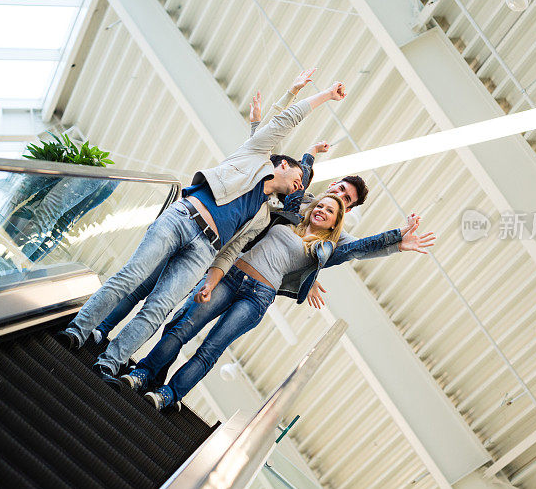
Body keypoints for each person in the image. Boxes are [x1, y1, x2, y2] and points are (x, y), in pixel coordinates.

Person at [57, 81, 347, 379]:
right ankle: (79, 329)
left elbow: (232, 250)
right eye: (300, 177)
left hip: (204, 251)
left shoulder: (263, 214)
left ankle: (111, 360)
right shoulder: (253, 156)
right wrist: (324, 95)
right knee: (130, 277)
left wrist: (211, 281)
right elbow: (284, 121)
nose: (301, 185)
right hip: (182, 218)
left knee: (160, 307)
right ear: (283, 165)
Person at [123, 194, 434, 410]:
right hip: (230, 277)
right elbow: (291, 182)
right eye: (321, 205)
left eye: (330, 212)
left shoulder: (325, 249)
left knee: (210, 349)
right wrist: (311, 154)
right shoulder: (286, 220)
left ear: (334, 224)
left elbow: (360, 247)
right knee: (181, 327)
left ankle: (169, 394)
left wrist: (398, 239)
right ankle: (143, 373)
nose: (322, 211)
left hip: (257, 297)